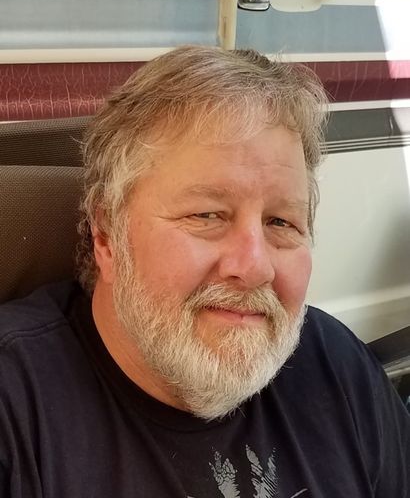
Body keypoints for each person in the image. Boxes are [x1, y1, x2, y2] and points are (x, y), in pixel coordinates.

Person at [0, 46, 408, 498]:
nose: (254, 267)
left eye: (281, 222)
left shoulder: (336, 366)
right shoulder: (16, 410)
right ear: (107, 235)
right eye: (207, 215)